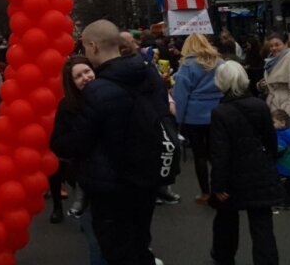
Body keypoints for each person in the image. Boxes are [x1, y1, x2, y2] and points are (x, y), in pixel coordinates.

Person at [62, 20, 170, 265]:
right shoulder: (148, 74)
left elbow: (81, 141)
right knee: (140, 244)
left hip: (111, 187)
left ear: (93, 46)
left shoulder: (97, 90)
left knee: (115, 251)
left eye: (86, 48)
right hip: (147, 178)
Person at [208, 62, 282, 265]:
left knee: (226, 220)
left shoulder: (220, 112)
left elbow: (220, 153)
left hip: (233, 176)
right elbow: (270, 140)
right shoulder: (260, 105)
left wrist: (218, 185)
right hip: (260, 172)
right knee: (262, 226)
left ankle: (224, 257)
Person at [50, 56, 107, 265]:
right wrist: (84, 138)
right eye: (78, 76)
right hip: (88, 177)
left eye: (87, 72)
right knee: (96, 241)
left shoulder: (111, 94)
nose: (85, 78)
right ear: (71, 82)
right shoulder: (67, 106)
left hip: (117, 177)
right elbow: (57, 143)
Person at [172, 33, 223, 205]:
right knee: (216, 153)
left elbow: (181, 95)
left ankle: (205, 192)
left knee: (200, 154)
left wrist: (178, 120)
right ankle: (220, 188)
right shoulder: (219, 62)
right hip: (218, 111)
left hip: (195, 115)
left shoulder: (187, 65)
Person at [259, 32, 290, 203]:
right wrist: (263, 85)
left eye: (277, 44)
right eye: (271, 45)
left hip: (286, 109)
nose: (274, 48)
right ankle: (282, 187)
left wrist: (285, 116)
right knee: (278, 149)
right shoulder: (272, 62)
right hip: (274, 106)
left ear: (286, 44)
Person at [272, 109, 290, 211]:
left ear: (282, 122)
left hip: (282, 166)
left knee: (282, 186)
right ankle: (289, 202)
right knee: (289, 186)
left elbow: (279, 149)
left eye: (273, 122)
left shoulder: (283, 134)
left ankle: (284, 202)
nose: (272, 125)